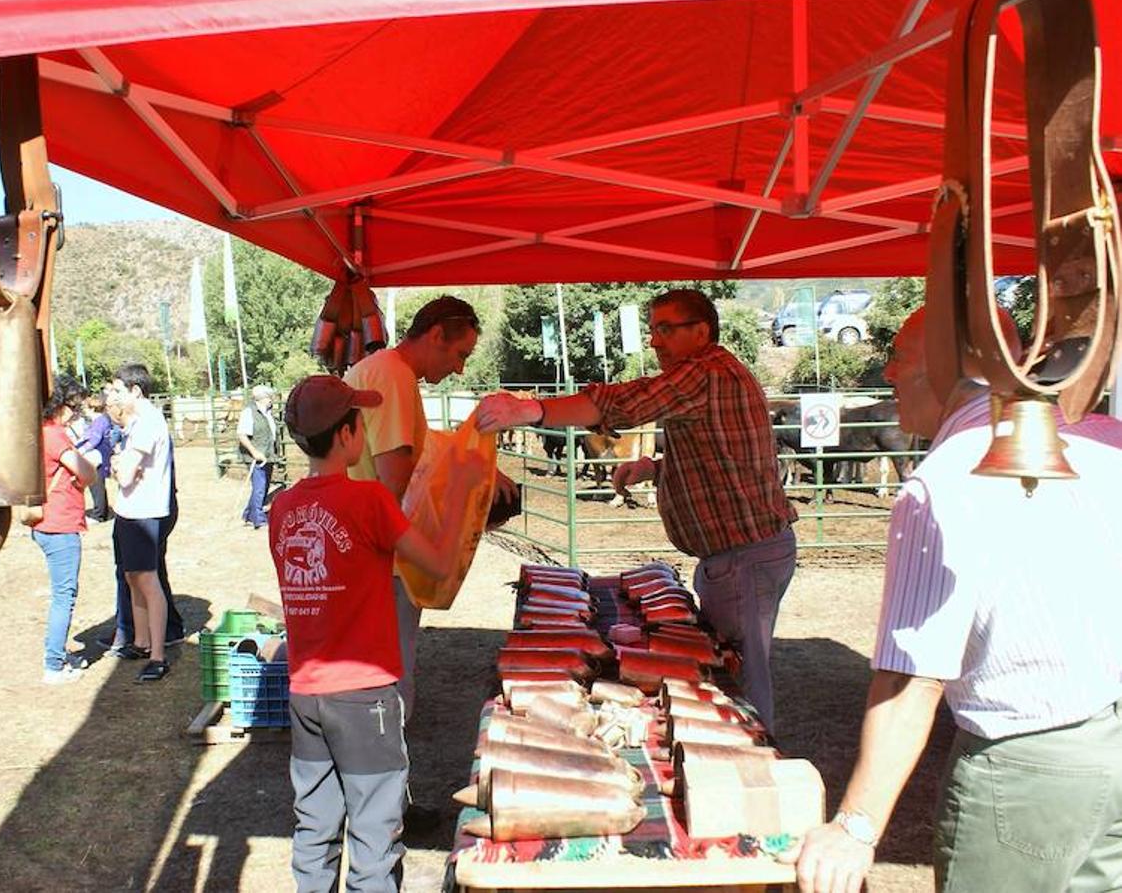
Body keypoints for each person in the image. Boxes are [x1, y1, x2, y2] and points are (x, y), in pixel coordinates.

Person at [784, 307, 1122, 893]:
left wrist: (855, 826)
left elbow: (912, 678)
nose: (887, 373)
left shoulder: (941, 481)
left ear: (952, 364)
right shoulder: (1104, 438)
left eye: (902, 358)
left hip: (1025, 761)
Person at [478, 288, 797, 731]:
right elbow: (726, 456)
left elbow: (627, 402)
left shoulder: (703, 372)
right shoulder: (715, 372)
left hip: (742, 554)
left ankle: (746, 756)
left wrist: (531, 410)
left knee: (736, 678)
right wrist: (655, 467)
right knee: (733, 664)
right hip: (744, 551)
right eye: (653, 331)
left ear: (701, 331)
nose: (655, 341)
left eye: (666, 329)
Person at [269, 374, 487, 893]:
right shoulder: (369, 503)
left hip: (305, 692)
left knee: (315, 826)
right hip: (364, 697)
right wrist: (462, 486)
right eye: (360, 422)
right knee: (374, 832)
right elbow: (434, 564)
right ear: (346, 435)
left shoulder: (281, 507)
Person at [343, 295, 518, 721]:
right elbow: (394, 479)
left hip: (360, 545)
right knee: (389, 672)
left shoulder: (380, 369)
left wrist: (480, 467)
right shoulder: (395, 376)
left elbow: (413, 451)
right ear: (436, 334)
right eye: (460, 354)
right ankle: (384, 763)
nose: (459, 368)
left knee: (375, 667)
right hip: (380, 555)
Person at [107, 364, 175, 682]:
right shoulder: (138, 422)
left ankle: (158, 655)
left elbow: (122, 473)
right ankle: (141, 642)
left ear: (136, 390)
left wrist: (119, 463)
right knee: (133, 577)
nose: (113, 396)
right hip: (130, 510)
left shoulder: (148, 422)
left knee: (147, 580)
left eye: (118, 390)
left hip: (144, 512)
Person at [32, 376, 98, 685]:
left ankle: (57, 654)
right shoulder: (56, 435)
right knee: (64, 595)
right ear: (60, 405)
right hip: (60, 523)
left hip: (45, 522)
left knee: (62, 592)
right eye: (74, 407)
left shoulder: (40, 431)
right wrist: (90, 468)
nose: (76, 413)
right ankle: (54, 664)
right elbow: (85, 472)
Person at [237, 384, 278, 529]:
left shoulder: (267, 412)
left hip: (268, 454)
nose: (271, 400)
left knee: (263, 485)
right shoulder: (249, 412)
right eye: (269, 397)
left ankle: (248, 515)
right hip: (256, 456)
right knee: (260, 487)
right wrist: (254, 451)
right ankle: (259, 520)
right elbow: (242, 434)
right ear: (262, 398)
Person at [77, 392, 115, 522]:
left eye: (86, 408)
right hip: (101, 455)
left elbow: (94, 439)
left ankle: (99, 514)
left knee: (96, 484)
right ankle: (101, 511)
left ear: (92, 408)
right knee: (97, 485)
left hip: (98, 456)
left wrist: (81, 450)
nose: (84, 411)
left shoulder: (99, 421)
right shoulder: (102, 420)